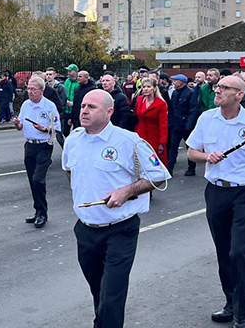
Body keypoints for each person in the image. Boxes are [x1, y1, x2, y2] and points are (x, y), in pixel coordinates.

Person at [62, 90, 170, 328]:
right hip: (86, 229)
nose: (84, 111)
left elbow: (159, 176)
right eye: (83, 106)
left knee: (112, 293)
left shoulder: (129, 141)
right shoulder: (73, 140)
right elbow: (69, 171)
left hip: (119, 229)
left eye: (92, 107)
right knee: (98, 289)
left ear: (109, 112)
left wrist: (126, 192)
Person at [187, 75, 245, 328]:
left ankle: (241, 314)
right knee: (224, 251)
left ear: (239, 95)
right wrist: (206, 156)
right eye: (218, 86)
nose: (217, 90)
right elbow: (192, 152)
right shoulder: (207, 119)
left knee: (240, 252)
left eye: (224, 87)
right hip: (216, 192)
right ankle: (230, 301)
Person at [13, 76, 60, 229]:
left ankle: (42, 213)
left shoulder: (49, 106)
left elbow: (57, 128)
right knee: (32, 180)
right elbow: (20, 126)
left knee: (38, 179)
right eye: (29, 89)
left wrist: (45, 129)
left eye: (33, 89)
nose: (30, 92)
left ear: (41, 90)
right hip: (30, 145)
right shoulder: (26, 104)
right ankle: (37, 210)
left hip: (44, 145)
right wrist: (17, 124)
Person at [134, 77, 168, 168]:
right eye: (143, 86)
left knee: (154, 160)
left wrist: (162, 142)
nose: (145, 89)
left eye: (148, 86)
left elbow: (163, 124)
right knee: (141, 159)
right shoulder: (139, 100)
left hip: (154, 136)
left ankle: (156, 177)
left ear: (154, 88)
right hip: (140, 134)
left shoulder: (161, 104)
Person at [168, 74, 198, 176]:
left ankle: (191, 168)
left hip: (186, 126)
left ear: (180, 82)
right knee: (173, 147)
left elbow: (193, 110)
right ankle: (169, 168)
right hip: (176, 125)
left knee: (189, 147)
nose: (173, 82)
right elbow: (171, 109)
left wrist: (189, 125)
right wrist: (170, 122)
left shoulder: (190, 93)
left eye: (175, 80)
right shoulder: (175, 93)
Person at [62, 64, 80, 137]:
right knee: (65, 131)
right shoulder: (67, 81)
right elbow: (64, 93)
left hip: (75, 110)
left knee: (77, 130)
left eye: (70, 71)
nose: (68, 73)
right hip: (66, 110)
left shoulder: (79, 83)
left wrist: (74, 103)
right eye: (68, 71)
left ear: (75, 72)